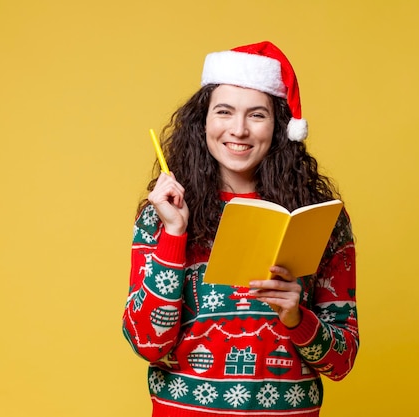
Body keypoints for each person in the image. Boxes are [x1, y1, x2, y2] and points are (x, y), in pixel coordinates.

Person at [122, 41, 359, 417]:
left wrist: (298, 319)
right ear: (203, 121)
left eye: (257, 115)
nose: (239, 129)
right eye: (224, 112)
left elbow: (341, 362)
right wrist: (173, 236)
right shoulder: (164, 212)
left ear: (279, 126)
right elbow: (147, 343)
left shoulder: (321, 219)